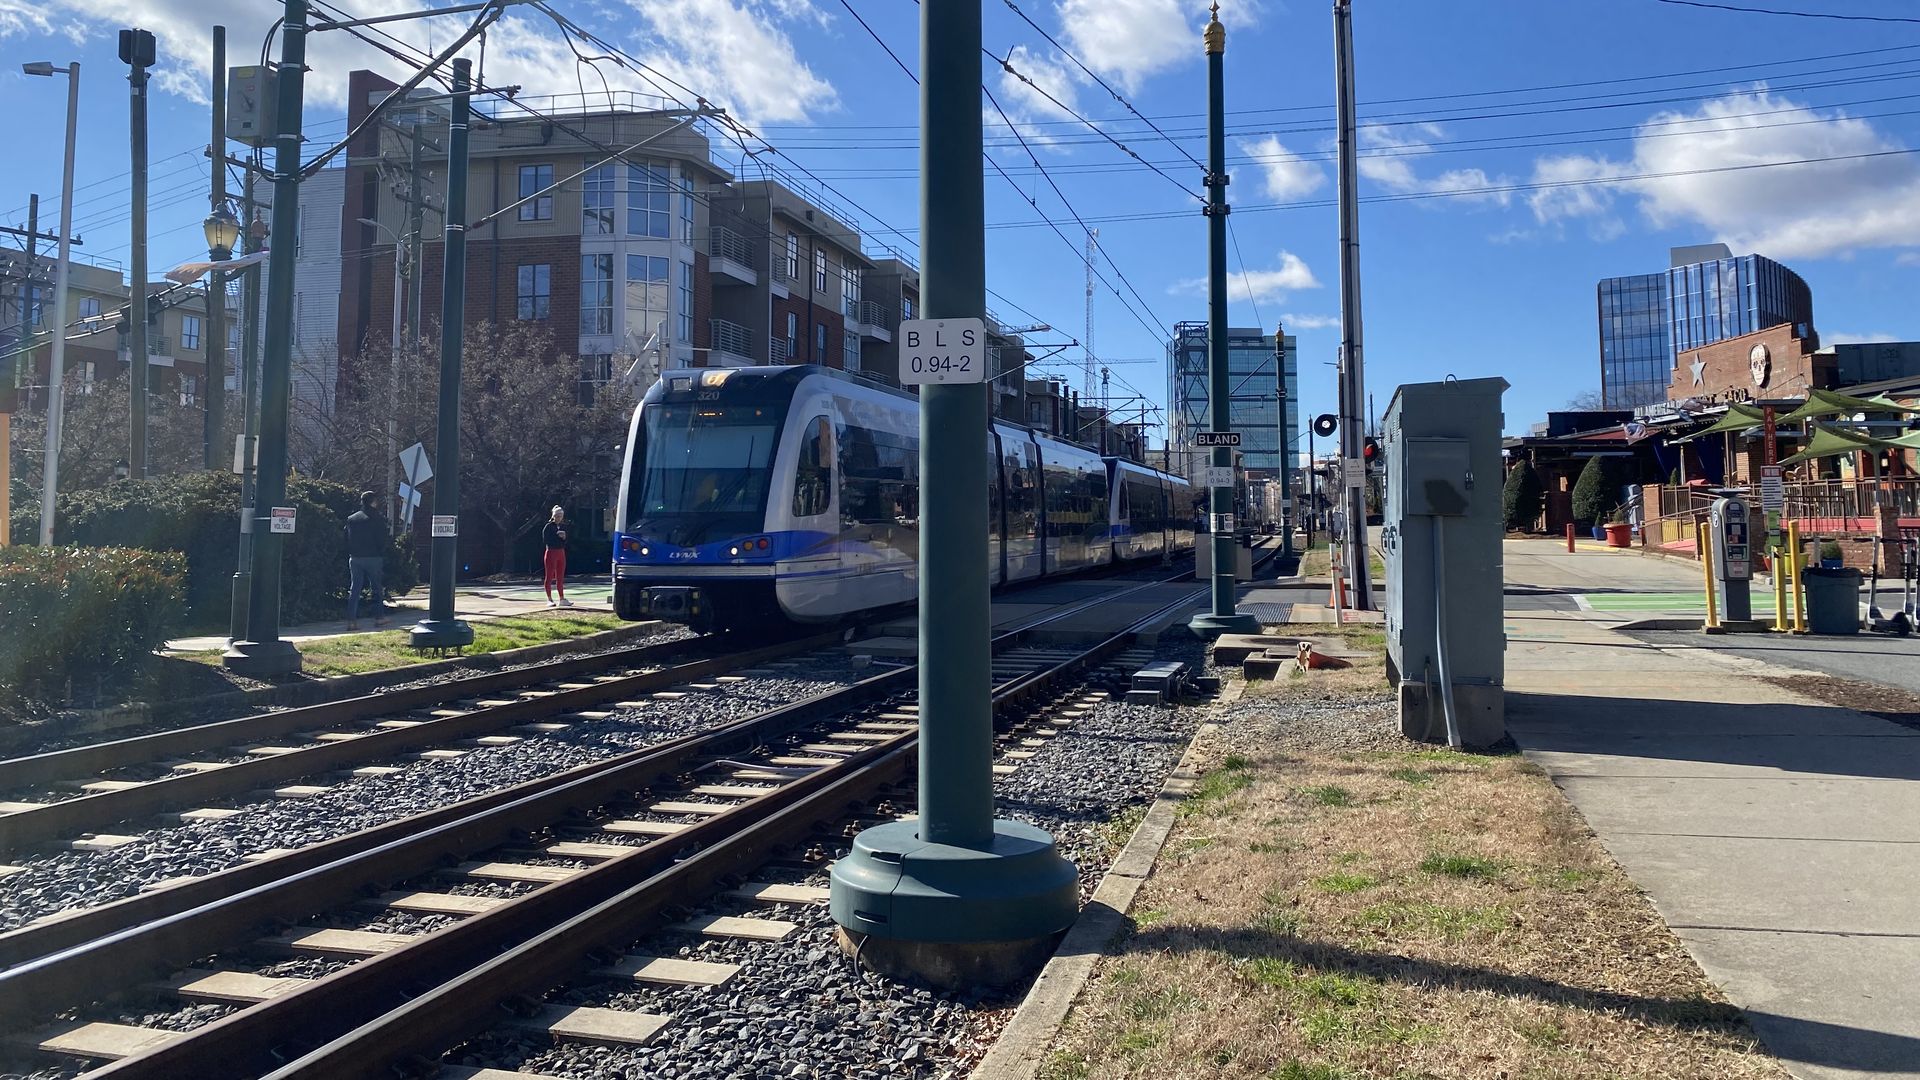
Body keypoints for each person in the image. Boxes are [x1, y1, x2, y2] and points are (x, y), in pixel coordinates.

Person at [344, 491, 390, 630]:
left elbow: (346, 537)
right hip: (373, 557)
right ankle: (379, 618)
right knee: (376, 588)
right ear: (373, 502)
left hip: (355, 558)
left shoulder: (352, 519)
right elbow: (382, 538)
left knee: (355, 589)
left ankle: (351, 620)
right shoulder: (378, 518)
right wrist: (381, 551)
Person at [542, 504, 572, 608]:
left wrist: (564, 538)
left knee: (560, 576)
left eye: (561, 516)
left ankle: (562, 598)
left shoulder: (563, 526)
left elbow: (565, 542)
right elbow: (546, 540)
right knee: (549, 575)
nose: (559, 518)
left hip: (561, 552)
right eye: (557, 516)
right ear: (553, 516)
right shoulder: (548, 527)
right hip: (551, 552)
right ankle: (549, 598)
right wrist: (557, 536)